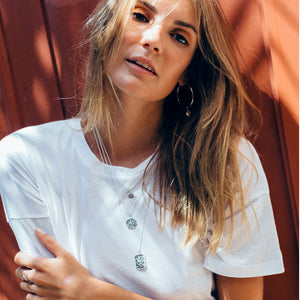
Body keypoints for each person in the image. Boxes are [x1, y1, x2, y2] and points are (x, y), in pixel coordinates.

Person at [0, 0, 284, 299]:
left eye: (179, 37)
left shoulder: (225, 160)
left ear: (188, 70)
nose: (153, 40)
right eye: (140, 16)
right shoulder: (24, 158)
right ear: (106, 27)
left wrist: (91, 293)